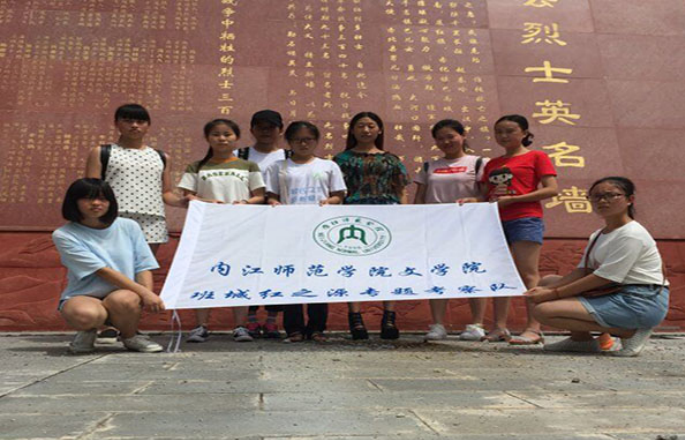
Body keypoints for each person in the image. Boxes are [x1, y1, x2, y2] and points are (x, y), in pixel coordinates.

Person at [526, 177, 669, 357]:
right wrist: (549, 289)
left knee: (543, 311)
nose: (602, 201)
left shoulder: (631, 234)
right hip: (615, 291)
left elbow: (605, 277)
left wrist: (553, 294)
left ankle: (629, 332)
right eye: (596, 196)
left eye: (610, 195)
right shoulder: (599, 234)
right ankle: (581, 341)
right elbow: (584, 270)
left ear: (629, 199)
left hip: (640, 300)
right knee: (548, 281)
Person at [84, 104, 187, 345]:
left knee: (142, 273)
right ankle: (105, 324)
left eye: (140, 121)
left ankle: (130, 326)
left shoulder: (161, 157)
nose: (134, 126)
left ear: (148, 126)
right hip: (114, 220)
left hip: (151, 220)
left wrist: (186, 202)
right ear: (117, 123)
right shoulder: (102, 152)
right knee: (111, 272)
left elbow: (166, 193)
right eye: (128, 120)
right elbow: (90, 189)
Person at [463, 115, 559, 345]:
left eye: (510, 131)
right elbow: (486, 195)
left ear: (524, 133)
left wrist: (515, 199)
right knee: (498, 273)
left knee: (528, 273)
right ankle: (499, 327)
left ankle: (534, 327)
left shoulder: (537, 156)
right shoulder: (493, 164)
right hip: (494, 221)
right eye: (499, 132)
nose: (504, 136)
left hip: (525, 218)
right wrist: (472, 201)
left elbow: (551, 189)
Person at [177, 119, 266, 343]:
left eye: (227, 134)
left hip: (240, 228)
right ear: (207, 138)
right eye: (216, 134)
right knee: (203, 274)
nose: (222, 138)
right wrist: (205, 201)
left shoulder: (248, 166)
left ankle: (240, 326)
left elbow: (259, 195)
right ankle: (201, 326)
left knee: (240, 275)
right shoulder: (197, 166)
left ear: (237, 137)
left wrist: (245, 203)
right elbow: (187, 195)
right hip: (207, 228)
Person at [53, 178, 166, 354]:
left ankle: (130, 336)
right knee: (87, 315)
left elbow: (143, 265)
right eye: (88, 198)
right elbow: (102, 271)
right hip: (84, 295)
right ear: (74, 202)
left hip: (123, 294)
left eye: (103, 198)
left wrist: (145, 297)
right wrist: (145, 294)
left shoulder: (128, 226)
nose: (96, 203)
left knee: (126, 300)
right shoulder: (64, 235)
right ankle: (87, 331)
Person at [265, 121, 347, 343]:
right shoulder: (278, 167)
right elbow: (271, 195)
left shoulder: (328, 166)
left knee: (318, 276)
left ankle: (317, 328)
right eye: (297, 140)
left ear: (316, 141)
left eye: (308, 139)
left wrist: (329, 202)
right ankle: (294, 329)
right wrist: (274, 203)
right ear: (289, 142)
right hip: (288, 229)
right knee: (291, 276)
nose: (303, 144)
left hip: (320, 229)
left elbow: (339, 195)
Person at [334, 112, 410, 340]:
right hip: (353, 216)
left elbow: (401, 190)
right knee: (353, 267)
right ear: (352, 130)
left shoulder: (391, 159)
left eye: (370, 126)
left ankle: (389, 318)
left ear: (379, 130)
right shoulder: (341, 159)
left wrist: (405, 216)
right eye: (360, 126)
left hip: (387, 214)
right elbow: (337, 191)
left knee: (388, 267)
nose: (366, 130)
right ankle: (355, 319)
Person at [414, 119, 489, 341]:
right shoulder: (429, 166)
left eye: (451, 136)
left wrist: (474, 200)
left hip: (470, 226)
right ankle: (438, 324)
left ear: (463, 136)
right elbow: (419, 199)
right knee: (438, 272)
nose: (446, 142)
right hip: (437, 226)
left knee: (473, 272)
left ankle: (477, 324)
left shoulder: (479, 163)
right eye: (440, 138)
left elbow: (487, 194)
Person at [237, 110, 290, 339]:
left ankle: (271, 320)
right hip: (247, 221)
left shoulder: (289, 155)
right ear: (252, 129)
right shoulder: (239, 155)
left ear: (280, 130)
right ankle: (249, 319)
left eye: (271, 127)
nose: (266, 131)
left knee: (277, 270)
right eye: (261, 127)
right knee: (248, 269)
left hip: (280, 222)